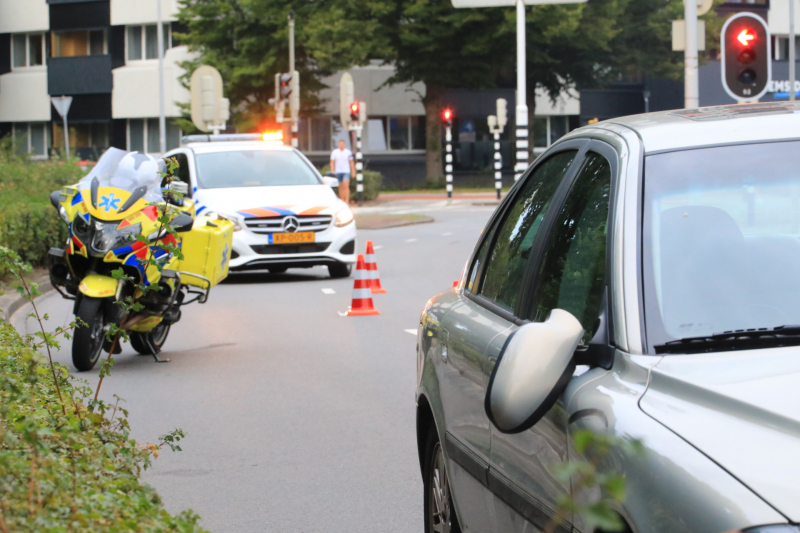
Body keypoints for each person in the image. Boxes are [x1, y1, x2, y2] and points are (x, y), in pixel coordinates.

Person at [330, 139, 355, 204]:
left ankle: (347, 200)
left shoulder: (348, 152)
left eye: (342, 144)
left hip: (346, 171)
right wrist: (332, 170)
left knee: (346, 185)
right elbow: (332, 162)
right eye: (340, 144)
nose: (341, 145)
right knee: (340, 186)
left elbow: (351, 162)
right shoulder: (335, 152)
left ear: (344, 145)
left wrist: (353, 171)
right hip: (338, 171)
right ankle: (342, 200)